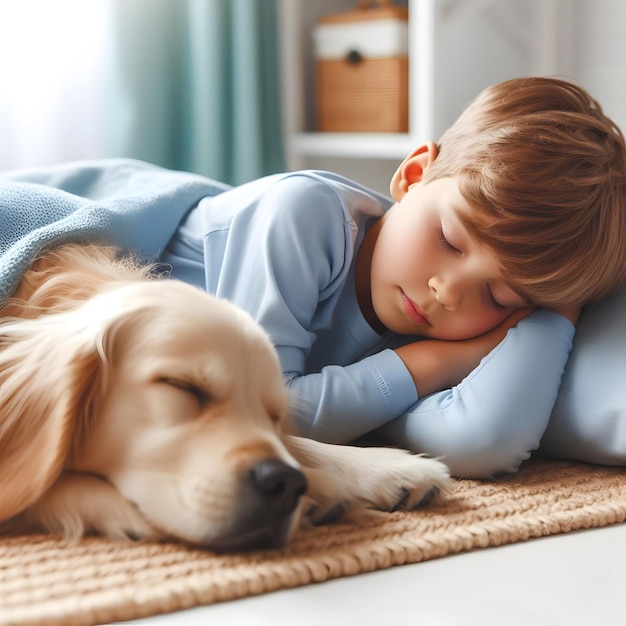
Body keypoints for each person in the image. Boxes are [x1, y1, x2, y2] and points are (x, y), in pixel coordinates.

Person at [1, 77, 625, 478]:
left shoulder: (452, 318)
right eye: (450, 239)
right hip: (63, 239)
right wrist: (434, 365)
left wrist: (555, 309)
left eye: (501, 295)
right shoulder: (304, 217)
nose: (449, 292)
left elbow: (481, 443)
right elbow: (260, 416)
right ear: (412, 177)